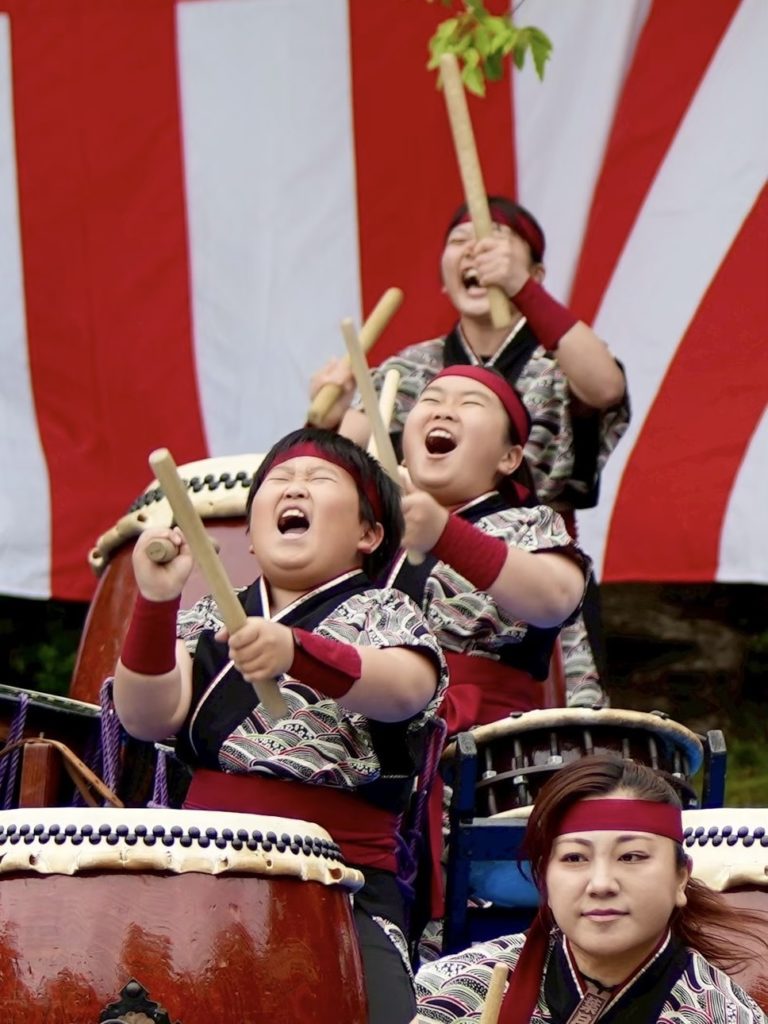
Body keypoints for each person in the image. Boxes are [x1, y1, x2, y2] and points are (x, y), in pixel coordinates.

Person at [112, 427, 447, 1024]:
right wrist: (156, 603)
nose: (296, 487)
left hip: (341, 882)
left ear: (370, 534)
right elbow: (144, 717)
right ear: (251, 528)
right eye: (280, 482)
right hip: (202, 872)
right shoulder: (211, 614)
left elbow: (404, 690)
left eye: (320, 480)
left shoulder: (386, 611)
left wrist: (297, 651)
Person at [311, 196, 630, 701]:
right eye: (459, 241)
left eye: (495, 242)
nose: (475, 252)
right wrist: (326, 422)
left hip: (533, 561)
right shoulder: (410, 368)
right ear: (443, 277)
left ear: (537, 272)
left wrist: (521, 291)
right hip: (417, 567)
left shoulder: (559, 360)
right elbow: (337, 464)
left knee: (561, 736)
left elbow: (605, 387)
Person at [414, 755, 768, 1022]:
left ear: (680, 878)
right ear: (544, 879)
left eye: (630, 857)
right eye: (574, 859)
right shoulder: (455, 986)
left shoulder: (721, 1013)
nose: (601, 884)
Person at [389, 363, 591, 732]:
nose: (444, 410)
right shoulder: (366, 534)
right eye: (431, 399)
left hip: (479, 752)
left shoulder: (529, 524)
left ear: (509, 458)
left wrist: (444, 534)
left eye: (471, 403)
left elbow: (555, 599)